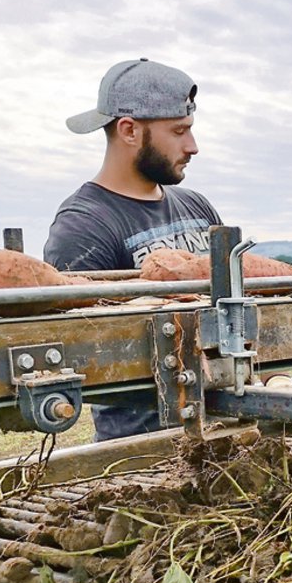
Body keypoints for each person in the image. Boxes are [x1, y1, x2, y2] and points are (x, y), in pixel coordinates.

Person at [43, 58, 222, 440]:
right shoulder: (83, 225)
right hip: (141, 450)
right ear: (128, 130)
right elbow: (87, 346)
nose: (193, 146)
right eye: (178, 131)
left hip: (222, 430)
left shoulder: (198, 205)